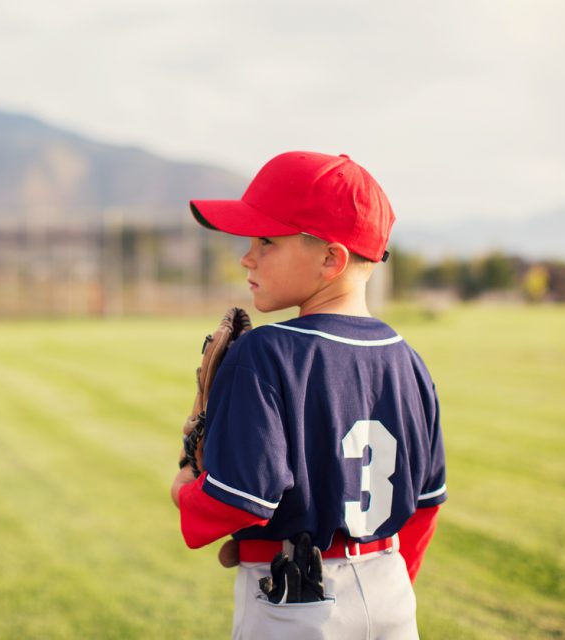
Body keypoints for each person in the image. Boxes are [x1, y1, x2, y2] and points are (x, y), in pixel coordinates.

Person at [170, 151, 447, 639]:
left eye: (266, 241)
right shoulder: (409, 360)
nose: (247, 255)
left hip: (295, 605)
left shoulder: (265, 352)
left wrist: (184, 491)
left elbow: (241, 500)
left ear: (330, 258)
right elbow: (426, 504)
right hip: (392, 592)